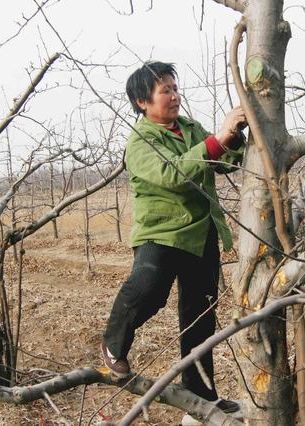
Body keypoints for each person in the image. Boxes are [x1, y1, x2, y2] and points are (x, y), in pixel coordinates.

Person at [100, 61, 246, 421]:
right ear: (142, 102)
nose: (174, 95)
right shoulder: (140, 142)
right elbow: (173, 174)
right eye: (164, 90)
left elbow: (224, 162)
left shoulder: (191, 128)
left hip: (201, 233)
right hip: (162, 234)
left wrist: (236, 137)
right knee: (148, 288)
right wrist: (218, 139)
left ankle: (201, 400)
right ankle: (112, 345)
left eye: (174, 88)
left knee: (200, 321)